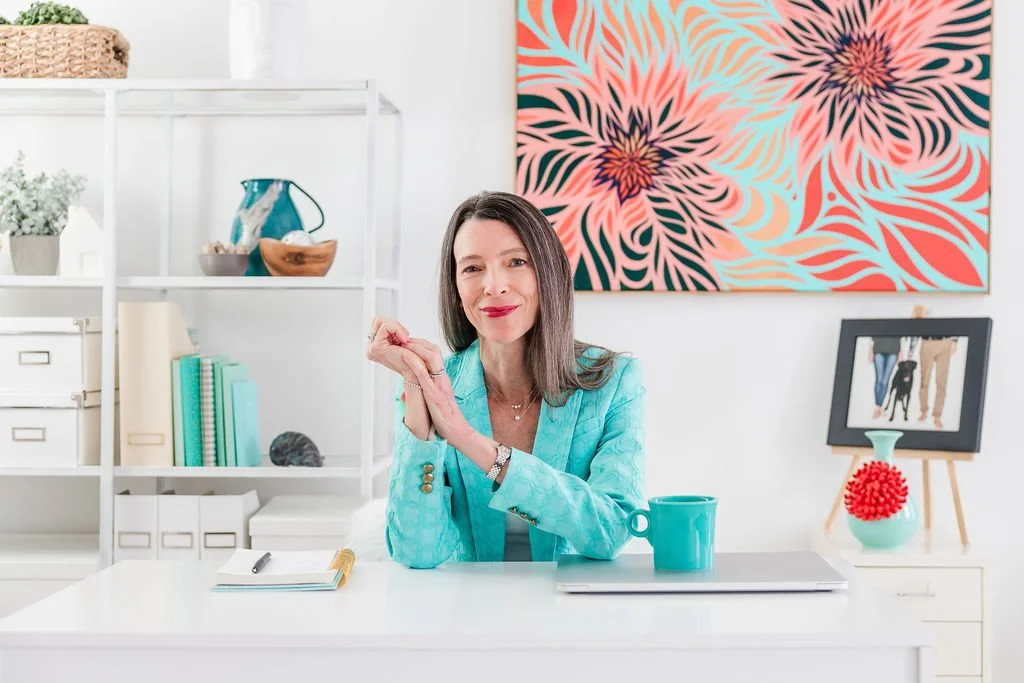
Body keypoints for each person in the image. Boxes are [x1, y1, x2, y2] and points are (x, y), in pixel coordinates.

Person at [365, 190, 646, 569]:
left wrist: (467, 438)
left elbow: (611, 531)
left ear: (547, 274)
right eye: (472, 268)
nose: (493, 285)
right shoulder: (435, 384)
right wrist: (416, 380)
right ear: (456, 288)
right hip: (468, 603)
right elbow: (416, 552)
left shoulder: (614, 381)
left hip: (571, 602)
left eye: (516, 262)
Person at [918, 335, 958, 429]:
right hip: (927, 342)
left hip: (945, 342)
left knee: (942, 382)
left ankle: (937, 416)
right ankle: (923, 411)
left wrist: (955, 341)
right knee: (924, 380)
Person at [868, 336, 901, 418]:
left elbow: (902, 337)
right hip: (878, 348)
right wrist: (870, 350)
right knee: (879, 380)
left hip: (894, 349)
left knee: (885, 381)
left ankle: (879, 407)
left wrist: (901, 352)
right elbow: (873, 334)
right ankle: (878, 407)